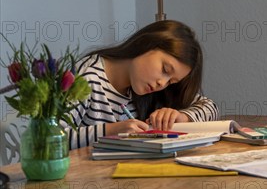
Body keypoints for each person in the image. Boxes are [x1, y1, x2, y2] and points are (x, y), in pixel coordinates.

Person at [65, 20, 219, 149]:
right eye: (165, 69)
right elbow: (48, 139)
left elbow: (210, 107)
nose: (162, 83)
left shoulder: (149, 88)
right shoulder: (86, 78)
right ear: (146, 44)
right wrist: (110, 131)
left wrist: (182, 117)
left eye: (171, 81)